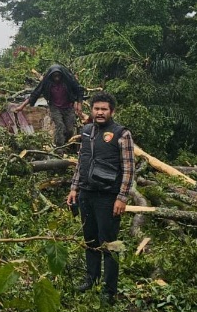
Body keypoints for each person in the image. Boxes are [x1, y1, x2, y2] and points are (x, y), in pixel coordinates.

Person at [65, 91, 134, 303]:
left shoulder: (122, 134)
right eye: (97, 109)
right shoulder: (87, 131)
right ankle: (91, 278)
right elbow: (81, 162)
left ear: (112, 111)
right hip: (86, 193)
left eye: (104, 109)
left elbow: (129, 168)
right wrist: (74, 188)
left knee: (110, 243)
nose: (100, 112)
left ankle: (109, 290)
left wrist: (122, 197)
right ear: (92, 110)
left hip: (108, 197)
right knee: (90, 239)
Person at [13, 64, 87, 150]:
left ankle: (66, 145)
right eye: (54, 76)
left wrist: (79, 104)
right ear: (51, 76)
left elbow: (79, 90)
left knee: (70, 129)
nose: (57, 78)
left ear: (61, 75)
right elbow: (35, 94)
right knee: (60, 126)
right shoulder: (47, 82)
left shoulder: (68, 80)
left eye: (58, 75)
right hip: (55, 107)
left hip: (68, 107)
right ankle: (59, 148)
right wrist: (22, 106)